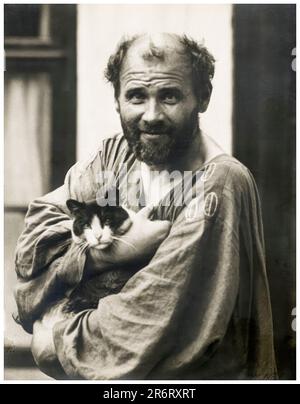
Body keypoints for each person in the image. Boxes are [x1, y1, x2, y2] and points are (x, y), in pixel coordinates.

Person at [13, 33, 277, 380]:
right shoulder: (114, 159)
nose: (151, 116)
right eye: (136, 96)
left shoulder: (218, 186)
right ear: (117, 100)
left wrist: (55, 334)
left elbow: (141, 323)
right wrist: (114, 255)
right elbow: (33, 245)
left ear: (203, 98)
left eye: (169, 96)